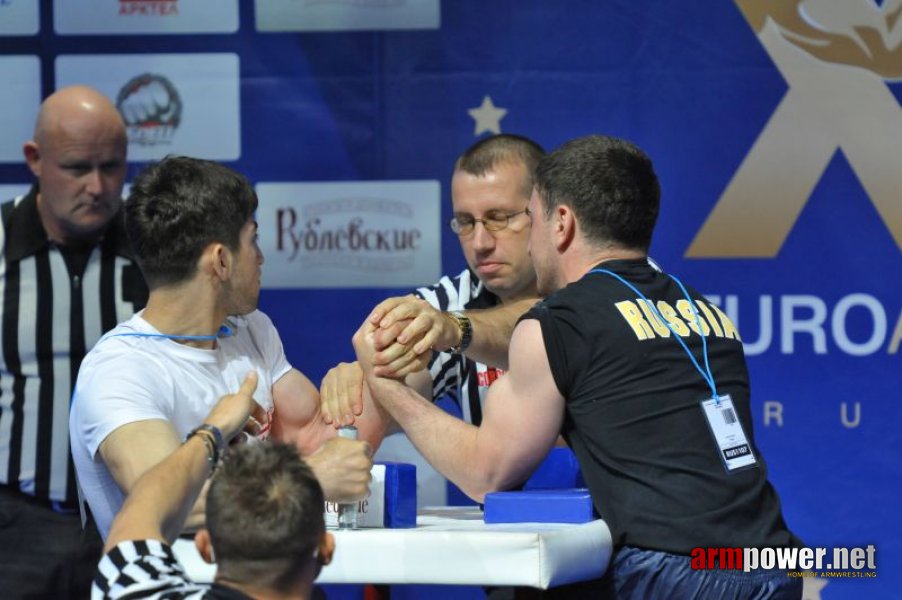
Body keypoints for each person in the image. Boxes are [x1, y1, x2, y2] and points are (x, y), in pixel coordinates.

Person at [354, 135, 802, 598]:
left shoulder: (559, 324)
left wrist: (389, 388)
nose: (526, 239)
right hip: (774, 563)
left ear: (561, 223)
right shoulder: (708, 313)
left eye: (528, 218)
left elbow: (485, 473)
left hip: (675, 574)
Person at [70, 156, 385, 540]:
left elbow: (318, 437)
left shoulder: (250, 330)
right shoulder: (120, 370)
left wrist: (370, 372)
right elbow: (164, 507)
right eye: (252, 239)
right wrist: (312, 479)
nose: (261, 257)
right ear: (221, 260)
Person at [0, 85, 149, 598]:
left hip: (134, 523)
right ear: (34, 159)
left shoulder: (157, 246)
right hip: (15, 526)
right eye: (77, 167)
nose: (98, 185)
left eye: (112, 166)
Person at [321, 134, 544, 428]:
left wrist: (455, 329)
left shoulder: (594, 287)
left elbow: (545, 321)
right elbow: (405, 385)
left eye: (499, 217)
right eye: (465, 222)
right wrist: (369, 383)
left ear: (544, 212)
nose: (480, 243)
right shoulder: (444, 303)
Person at [94, 371, 335, 600]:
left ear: (205, 546)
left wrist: (211, 431)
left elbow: (140, 508)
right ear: (326, 547)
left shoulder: (137, 590)